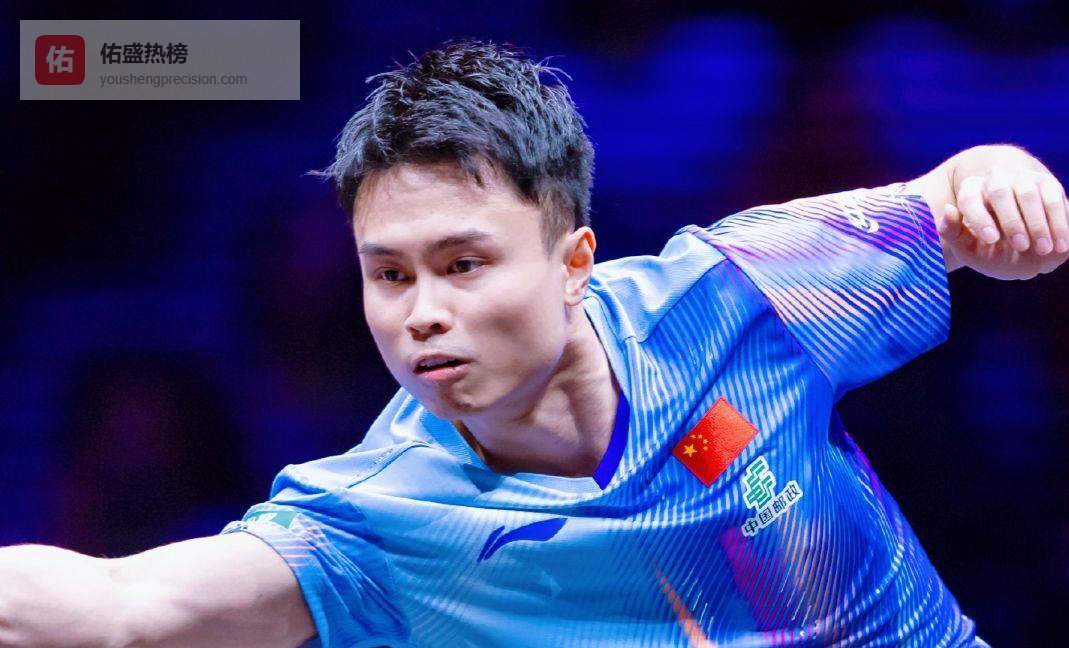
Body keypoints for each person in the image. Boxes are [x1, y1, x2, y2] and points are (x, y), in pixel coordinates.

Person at [2, 39, 1066, 647]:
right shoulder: (383, 513)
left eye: (463, 264)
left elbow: (951, 194)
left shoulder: (732, 295)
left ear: (573, 262)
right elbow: (125, 610)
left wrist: (999, 180)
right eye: (388, 274)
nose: (420, 312)